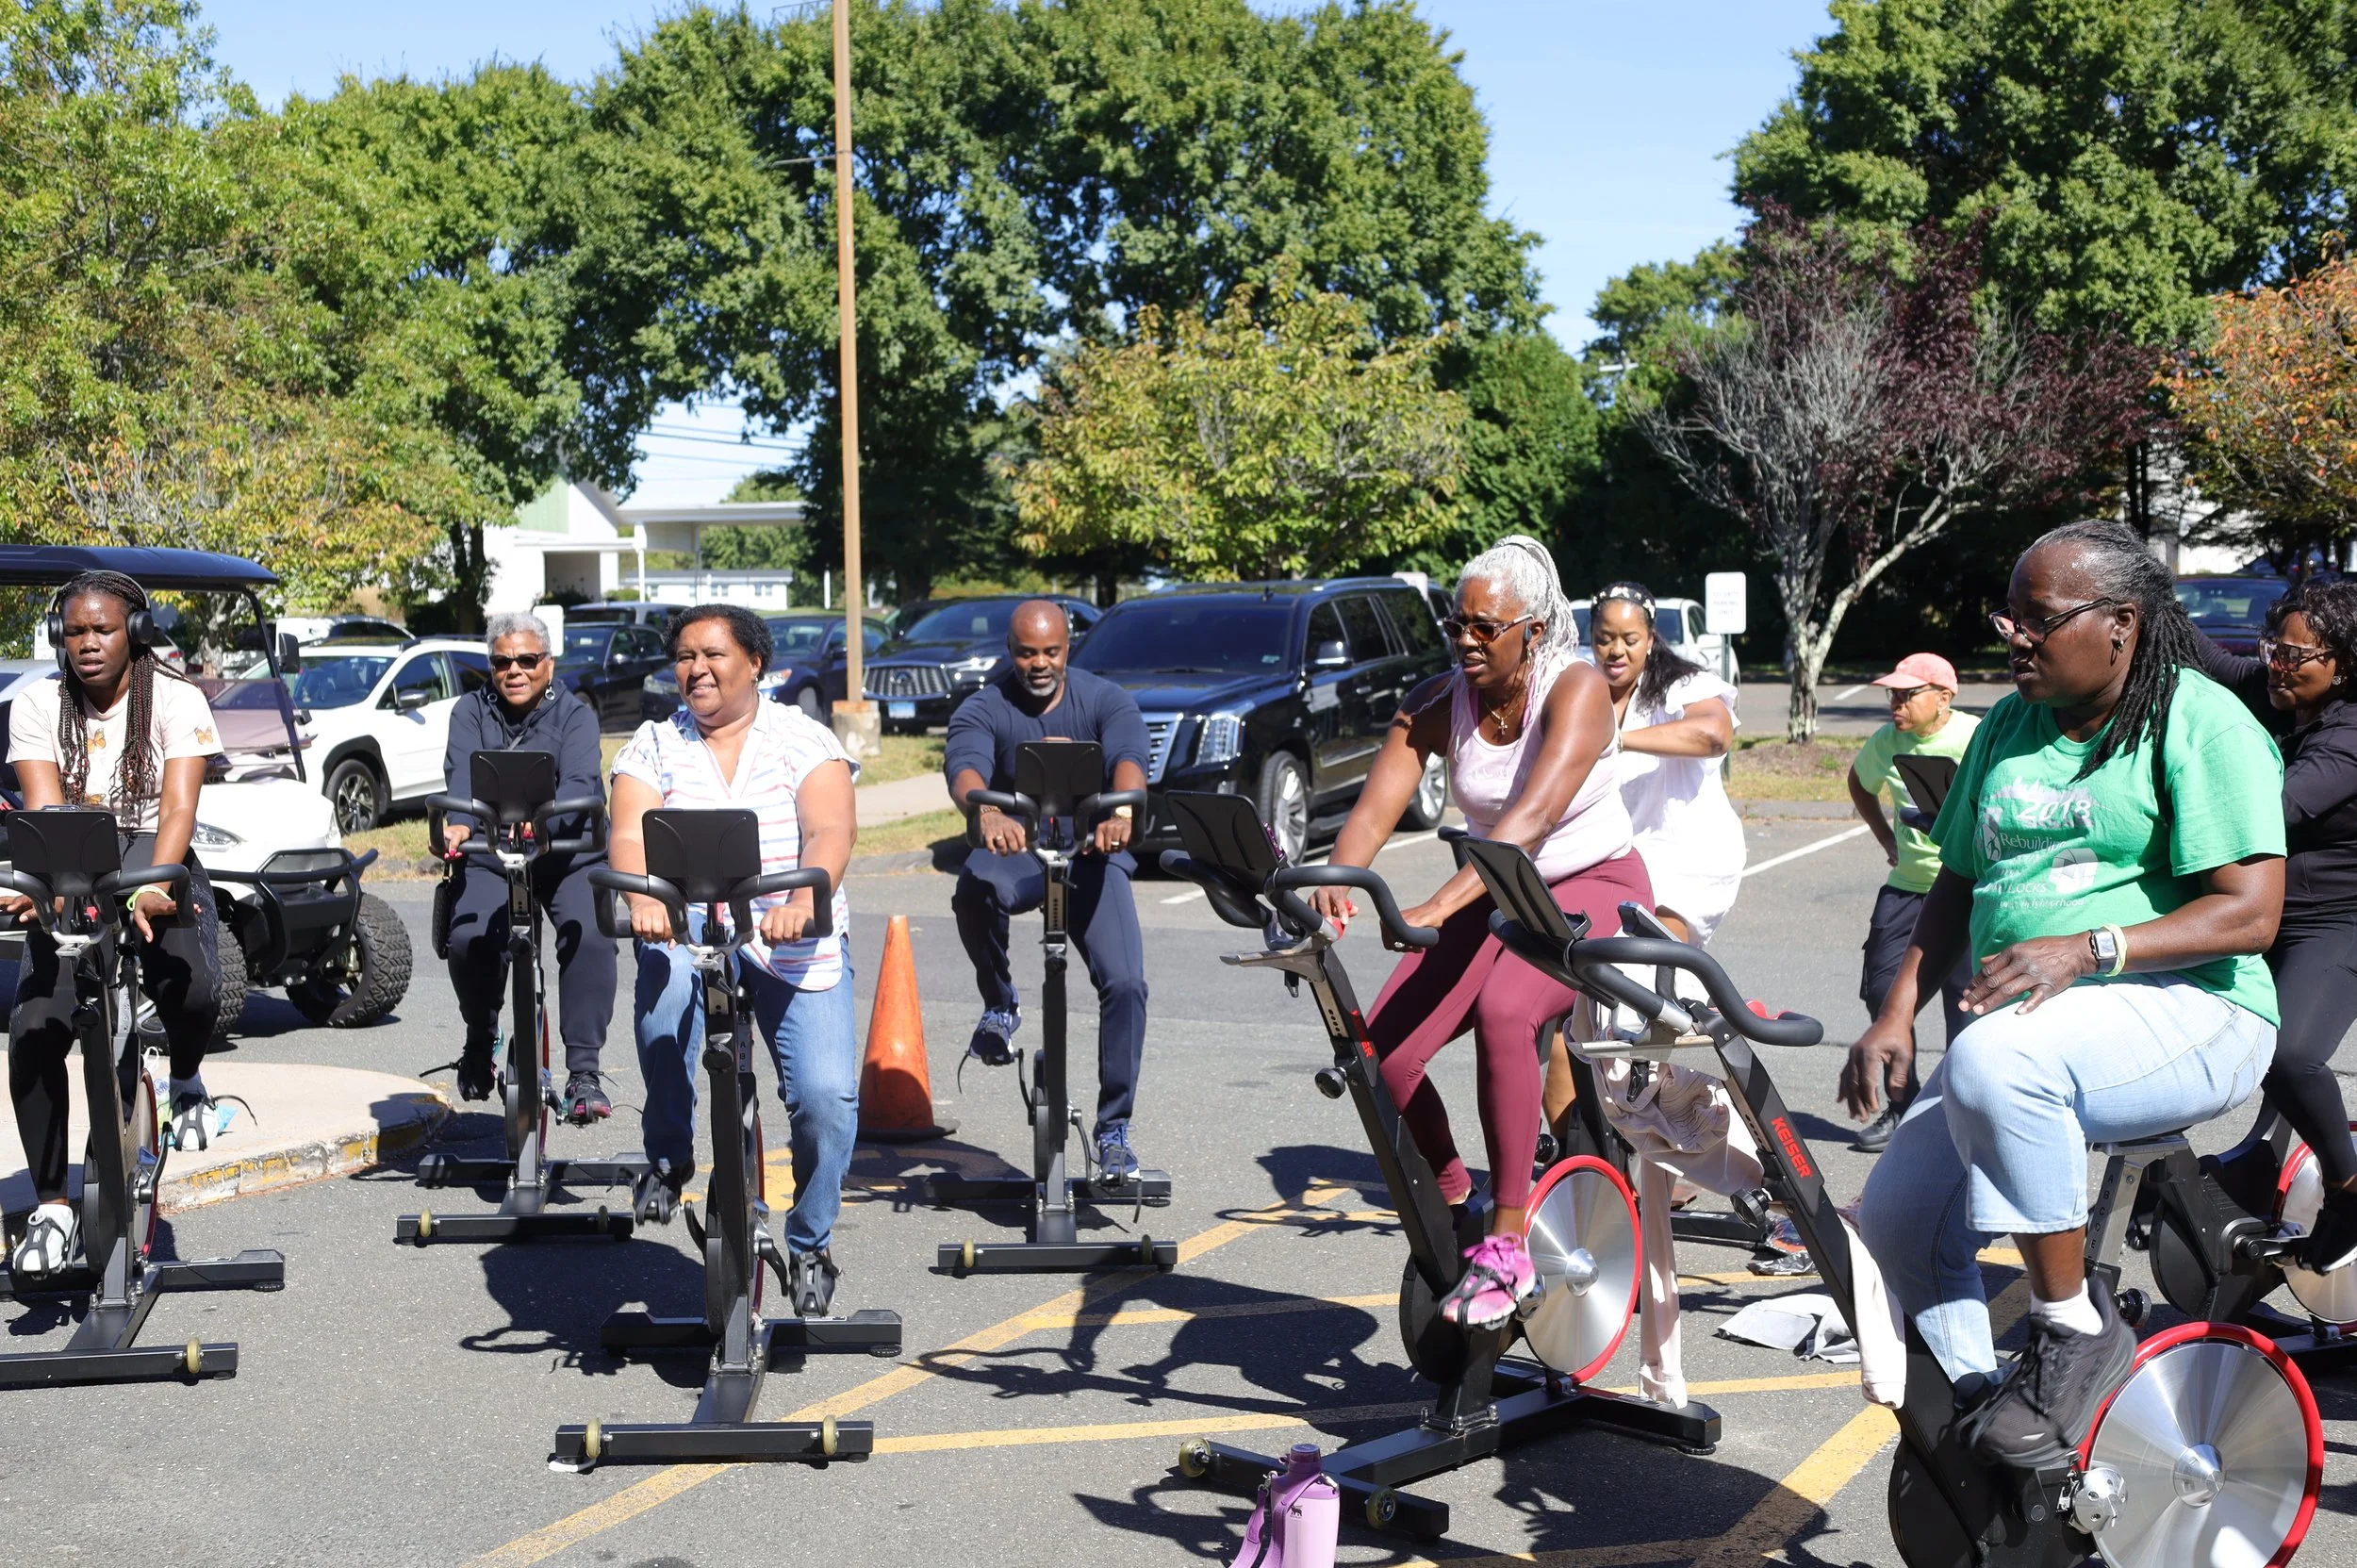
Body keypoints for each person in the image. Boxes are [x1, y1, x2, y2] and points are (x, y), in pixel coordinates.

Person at [1847, 519, 2283, 1472]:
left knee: (2000, 1056)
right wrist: (1893, 1012)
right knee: (1892, 1228)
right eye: (2010, 617)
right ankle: (1996, 1424)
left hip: (2197, 1010)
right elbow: (1956, 879)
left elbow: (2249, 914)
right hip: (2028, 1029)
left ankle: (2070, 1330)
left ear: (2120, 622)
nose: (2015, 638)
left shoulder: (2200, 722)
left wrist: (2089, 948)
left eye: (2039, 620)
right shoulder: (2007, 724)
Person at [1304, 536, 1648, 1330]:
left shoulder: (1580, 687)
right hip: (1490, 887)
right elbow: (1370, 812)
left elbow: (1527, 822)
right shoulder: (1439, 699)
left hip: (1589, 882)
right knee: (1380, 1058)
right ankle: (1460, 1197)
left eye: (1484, 627)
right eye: (1456, 623)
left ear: (1532, 629)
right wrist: (1330, 882)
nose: (1464, 638)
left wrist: (1433, 905)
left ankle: (1507, 1240)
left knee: (1506, 1010)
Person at [608, 605, 861, 1316]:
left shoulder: (800, 739)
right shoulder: (656, 744)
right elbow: (629, 832)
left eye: (714, 654)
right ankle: (668, 1156)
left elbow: (830, 828)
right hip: (689, 925)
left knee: (824, 1100)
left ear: (756, 663)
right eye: (684, 656)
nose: (697, 668)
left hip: (789, 931)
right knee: (663, 1007)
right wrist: (643, 897)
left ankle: (809, 1241)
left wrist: (804, 904)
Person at [5, 570, 226, 1278]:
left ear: (133, 632)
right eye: (74, 631)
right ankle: (53, 1208)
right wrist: (43, 892)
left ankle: (187, 1078)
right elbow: (45, 816)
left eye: (102, 629)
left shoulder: (176, 696)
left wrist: (157, 885)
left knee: (189, 988)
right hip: (72, 847)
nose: (87, 644)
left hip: (150, 843)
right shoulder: (38, 702)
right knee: (36, 1022)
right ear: (57, 636)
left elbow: (179, 808)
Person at [945, 600, 1153, 1181]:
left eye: (1051, 652)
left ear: (1068, 649)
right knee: (974, 887)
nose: (1039, 664)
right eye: (1027, 652)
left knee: (1128, 983)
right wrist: (984, 810)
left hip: (1090, 853)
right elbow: (966, 770)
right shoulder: (985, 706)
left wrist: (1122, 811)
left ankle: (1114, 1132)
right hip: (1018, 850)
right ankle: (1000, 1004)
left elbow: (1130, 761)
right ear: (1009, 651)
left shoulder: (1104, 699)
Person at [2187, 580, 2357, 1269]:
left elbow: (2268, 812)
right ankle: (2254, 1161)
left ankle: (2348, 1184)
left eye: (2295, 654)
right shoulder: (2279, 687)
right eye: (2274, 649)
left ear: (2344, 660)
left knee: (2289, 1055)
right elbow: (2203, 658)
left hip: (2338, 920)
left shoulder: (2348, 737)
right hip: (2270, 911)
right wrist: (2132, 590)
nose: (2276, 665)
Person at [438, 611, 616, 1121]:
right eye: (502, 662)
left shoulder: (576, 715)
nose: (514, 670)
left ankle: (583, 1072)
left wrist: (544, 824)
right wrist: (457, 824)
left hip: (563, 852)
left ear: (548, 663)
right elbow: (459, 780)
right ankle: (480, 1034)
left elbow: (583, 784)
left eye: (527, 660)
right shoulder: (470, 711)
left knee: (591, 934)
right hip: (494, 851)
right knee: (469, 937)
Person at [1843, 653, 1982, 1153]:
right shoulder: (1888, 741)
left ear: (1944, 697)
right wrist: (1886, 838)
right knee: (1882, 994)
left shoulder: (1973, 736)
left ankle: (1956, 1121)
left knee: (1967, 1013)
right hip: (1906, 886)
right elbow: (1860, 783)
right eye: (1892, 695)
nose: (1896, 705)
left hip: (1966, 887)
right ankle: (1904, 1107)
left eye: (1908, 694)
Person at [1589, 581, 1744, 942]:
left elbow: (1715, 733)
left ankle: (1706, 998)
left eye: (1630, 639)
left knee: (1644, 967)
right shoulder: (1583, 691)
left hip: (1684, 856)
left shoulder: (1682, 684)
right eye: (1604, 638)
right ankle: (1707, 1001)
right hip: (1615, 858)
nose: (1616, 651)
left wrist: (1619, 740)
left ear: (1650, 639)